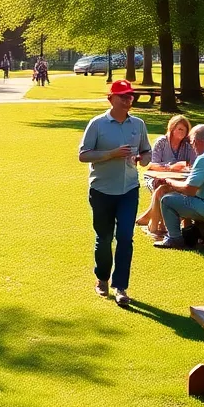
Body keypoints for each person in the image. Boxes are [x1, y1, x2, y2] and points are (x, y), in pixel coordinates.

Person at [79, 79, 151, 307]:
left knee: (125, 238)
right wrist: (111, 154)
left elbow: (147, 152)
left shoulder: (138, 124)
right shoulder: (97, 124)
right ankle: (102, 278)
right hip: (101, 190)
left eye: (131, 96)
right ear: (111, 98)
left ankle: (120, 287)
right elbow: (83, 155)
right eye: (123, 96)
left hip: (129, 189)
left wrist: (143, 159)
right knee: (104, 238)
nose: (128, 100)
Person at [136, 114, 198, 237]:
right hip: (156, 177)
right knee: (161, 187)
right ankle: (160, 224)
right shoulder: (162, 142)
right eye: (179, 129)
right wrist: (170, 167)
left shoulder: (187, 145)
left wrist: (184, 167)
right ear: (172, 128)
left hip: (177, 178)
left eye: (185, 130)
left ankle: (152, 219)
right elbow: (151, 164)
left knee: (168, 190)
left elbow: (194, 164)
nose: (182, 132)